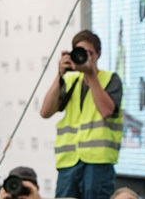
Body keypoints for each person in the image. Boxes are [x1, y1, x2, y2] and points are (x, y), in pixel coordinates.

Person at [40, 30, 123, 199]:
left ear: (98, 54)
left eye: (89, 53)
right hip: (69, 162)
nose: (85, 58)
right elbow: (45, 112)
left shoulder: (110, 79)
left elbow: (106, 111)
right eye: (80, 53)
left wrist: (91, 74)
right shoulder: (71, 81)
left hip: (98, 163)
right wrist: (60, 75)